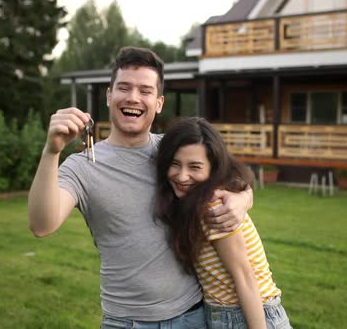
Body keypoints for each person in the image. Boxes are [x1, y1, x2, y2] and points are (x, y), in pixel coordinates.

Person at [27, 46, 253, 327]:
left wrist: (244, 198)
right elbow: (41, 224)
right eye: (124, 87)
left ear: (159, 103)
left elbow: (233, 178)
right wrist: (51, 151)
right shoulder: (82, 166)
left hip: (193, 315)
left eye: (145, 90)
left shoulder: (174, 154)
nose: (133, 97)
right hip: (127, 321)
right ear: (110, 96)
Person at [156, 117, 292, 329]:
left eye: (195, 167)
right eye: (175, 164)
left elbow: (245, 277)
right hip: (228, 313)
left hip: (245, 316)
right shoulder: (194, 203)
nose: (182, 176)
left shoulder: (213, 207)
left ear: (213, 168)